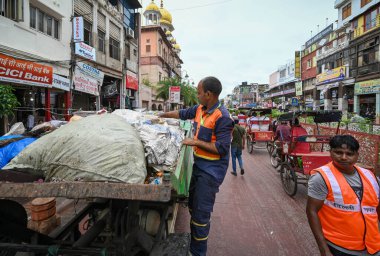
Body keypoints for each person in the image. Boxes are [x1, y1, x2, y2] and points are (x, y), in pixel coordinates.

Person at [159, 76, 234, 256]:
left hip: (211, 171)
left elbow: (222, 148)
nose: (197, 95)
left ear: (209, 94)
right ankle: (194, 243)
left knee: (201, 216)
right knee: (192, 206)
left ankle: (197, 252)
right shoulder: (201, 108)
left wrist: (196, 142)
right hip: (199, 166)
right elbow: (182, 113)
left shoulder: (222, 117)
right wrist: (159, 116)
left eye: (199, 93)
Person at [306, 135, 380, 256]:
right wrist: (323, 249)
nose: (343, 157)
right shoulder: (321, 178)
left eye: (349, 154)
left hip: (372, 246)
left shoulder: (371, 177)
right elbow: (311, 211)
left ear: (357, 155)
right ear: (330, 152)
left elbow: (376, 208)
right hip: (340, 247)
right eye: (338, 152)